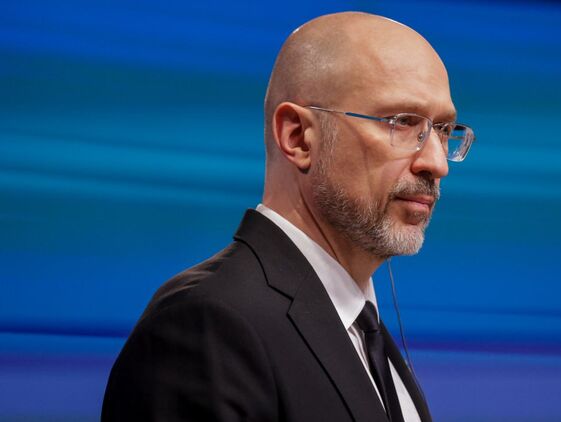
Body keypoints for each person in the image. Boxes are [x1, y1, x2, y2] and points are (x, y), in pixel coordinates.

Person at [102, 11, 474, 422]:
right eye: (401, 123)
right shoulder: (206, 324)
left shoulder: (361, 328)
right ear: (297, 137)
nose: (437, 163)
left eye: (444, 129)